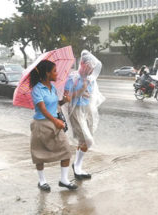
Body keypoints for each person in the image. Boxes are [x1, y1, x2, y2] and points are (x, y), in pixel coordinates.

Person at [29, 60, 77, 192]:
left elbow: (54, 106)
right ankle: (42, 181)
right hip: (41, 125)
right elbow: (43, 109)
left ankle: (64, 180)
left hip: (55, 123)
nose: (57, 73)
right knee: (39, 154)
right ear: (47, 73)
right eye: (54, 71)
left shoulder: (53, 88)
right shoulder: (37, 89)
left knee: (66, 150)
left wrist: (63, 101)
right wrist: (55, 121)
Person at [64, 50, 104, 180]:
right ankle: (77, 166)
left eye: (92, 68)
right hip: (76, 111)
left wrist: (87, 93)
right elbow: (66, 98)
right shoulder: (72, 78)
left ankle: (77, 167)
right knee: (88, 140)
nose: (91, 70)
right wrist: (80, 91)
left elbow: (92, 95)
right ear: (82, 64)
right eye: (89, 66)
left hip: (87, 110)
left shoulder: (91, 79)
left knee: (84, 140)